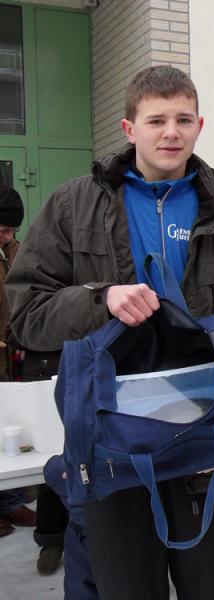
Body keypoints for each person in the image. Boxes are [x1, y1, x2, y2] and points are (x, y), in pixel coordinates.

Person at [6, 65, 214, 600]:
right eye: (156, 120)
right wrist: (100, 300)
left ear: (200, 125)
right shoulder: (72, 206)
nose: (171, 132)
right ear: (129, 128)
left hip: (209, 446)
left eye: (183, 119)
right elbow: (27, 314)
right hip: (113, 448)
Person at [0, 184, 37, 539]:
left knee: (8, 422)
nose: (9, 235)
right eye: (2, 228)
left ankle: (10, 500)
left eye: (12, 229)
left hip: (9, 355)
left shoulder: (14, 251)